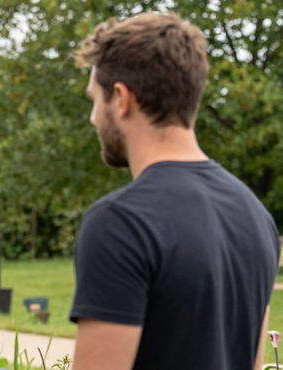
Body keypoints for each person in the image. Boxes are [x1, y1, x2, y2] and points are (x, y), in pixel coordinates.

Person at [69, 12, 280, 370]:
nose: (93, 117)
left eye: (95, 99)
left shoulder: (120, 223)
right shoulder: (256, 215)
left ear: (121, 98)